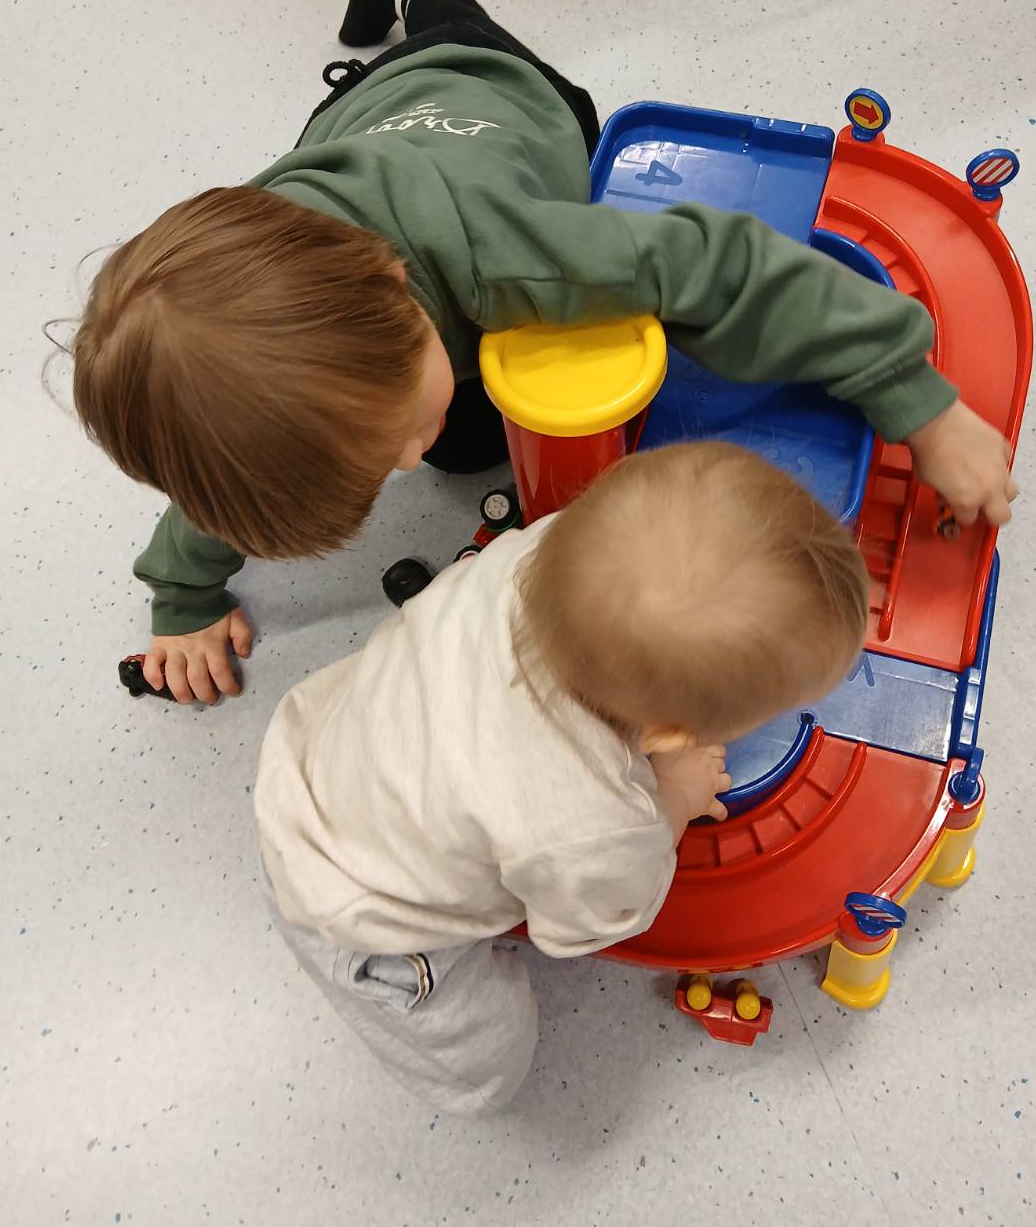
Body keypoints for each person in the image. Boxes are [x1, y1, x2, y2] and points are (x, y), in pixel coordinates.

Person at [70, 0, 1017, 704]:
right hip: (358, 122)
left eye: (393, 438)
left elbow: (729, 268)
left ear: (400, 288)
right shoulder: (247, 315)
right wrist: (182, 598)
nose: (407, 463)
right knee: (458, 444)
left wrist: (921, 405)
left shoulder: (518, 257)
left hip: (497, 84)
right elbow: (219, 462)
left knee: (457, 30)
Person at [254, 442, 870, 1113]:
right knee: (488, 1062)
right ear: (669, 737)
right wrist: (675, 796)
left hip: (319, 748)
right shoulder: (592, 824)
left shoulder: (534, 554)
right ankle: (465, 1072)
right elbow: (591, 919)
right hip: (364, 919)